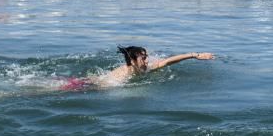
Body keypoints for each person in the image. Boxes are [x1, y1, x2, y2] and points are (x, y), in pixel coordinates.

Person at [60, 45, 215, 91]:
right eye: (143, 58)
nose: (146, 60)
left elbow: (167, 61)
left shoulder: (143, 68)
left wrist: (195, 55)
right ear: (133, 61)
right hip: (89, 84)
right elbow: (106, 86)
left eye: (146, 57)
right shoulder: (126, 73)